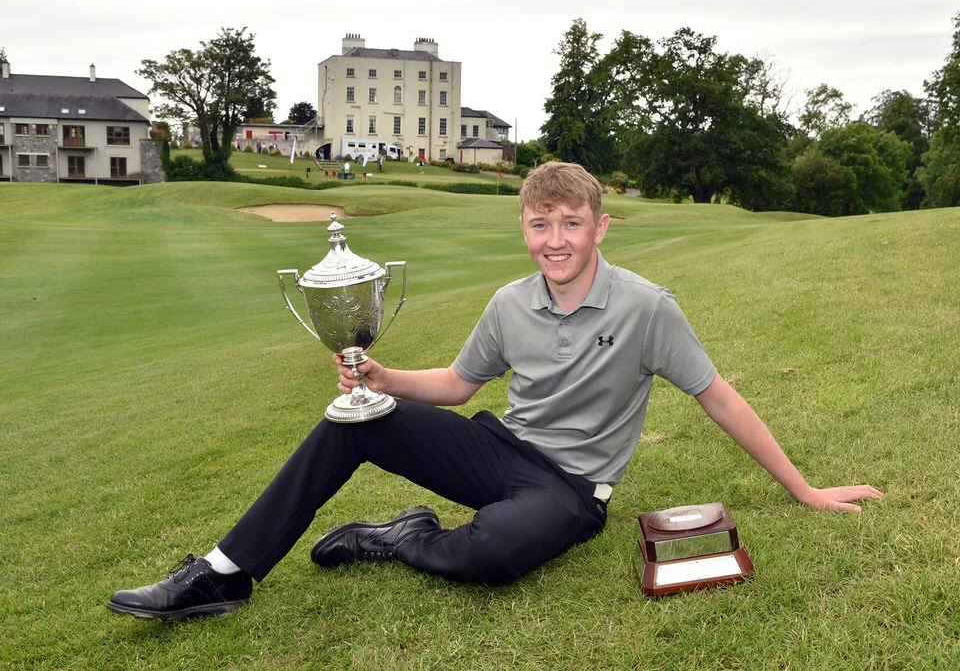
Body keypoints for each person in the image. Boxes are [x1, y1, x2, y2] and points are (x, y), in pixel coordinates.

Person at [107, 162, 883, 620]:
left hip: (574, 487)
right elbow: (454, 384)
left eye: (570, 224)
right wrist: (381, 377)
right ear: (524, 228)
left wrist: (804, 488)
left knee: (492, 554)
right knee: (357, 420)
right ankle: (224, 570)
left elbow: (719, 396)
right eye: (540, 224)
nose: (555, 240)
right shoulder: (511, 302)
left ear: (600, 227)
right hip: (498, 450)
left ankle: (400, 537)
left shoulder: (649, 307)